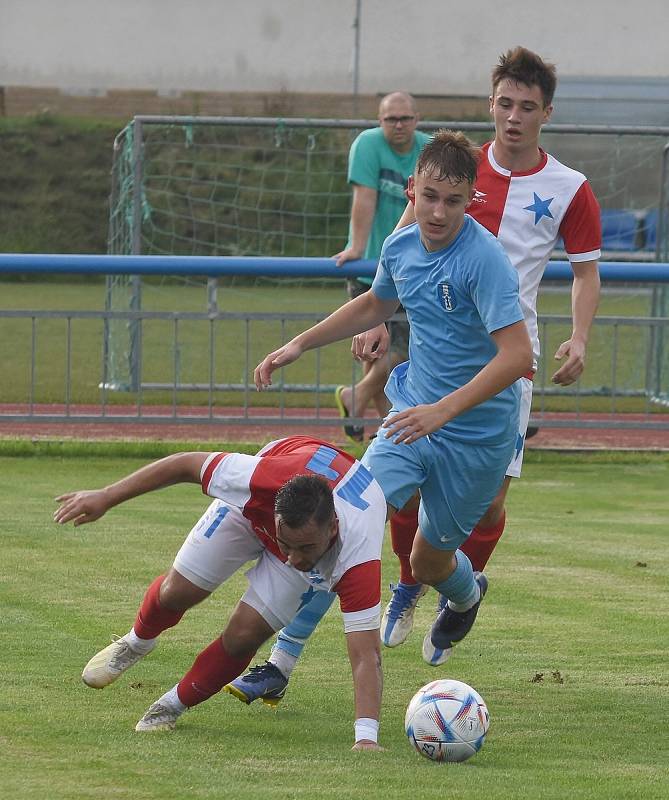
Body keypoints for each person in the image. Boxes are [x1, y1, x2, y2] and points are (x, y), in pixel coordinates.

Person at [241, 130, 533, 705]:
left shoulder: (484, 259)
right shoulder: (401, 247)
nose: (438, 211)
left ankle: (467, 593)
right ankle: (280, 662)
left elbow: (520, 357)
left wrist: (442, 412)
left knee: (429, 560)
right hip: (408, 419)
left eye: (452, 200)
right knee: (346, 522)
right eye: (428, 196)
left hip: (476, 438)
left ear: (471, 199)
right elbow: (377, 302)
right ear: (412, 191)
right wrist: (301, 343)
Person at [357, 46, 602, 665]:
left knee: (490, 500)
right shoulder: (455, 172)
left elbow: (584, 273)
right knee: (403, 477)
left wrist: (580, 335)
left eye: (527, 106)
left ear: (546, 112)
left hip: (506, 361)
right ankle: (410, 584)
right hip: (438, 349)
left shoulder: (570, 188)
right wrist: (383, 318)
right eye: (504, 103)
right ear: (490, 104)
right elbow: (402, 245)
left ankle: (454, 591)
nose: (513, 116)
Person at [53, 435, 387, 750]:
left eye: (305, 548)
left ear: (332, 528)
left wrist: (366, 738)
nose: (293, 559)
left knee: (244, 636)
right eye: (286, 545)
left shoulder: (357, 553)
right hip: (260, 506)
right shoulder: (258, 479)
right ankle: (137, 641)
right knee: (178, 591)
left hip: (321, 522)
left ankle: (170, 706)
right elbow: (184, 464)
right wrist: (106, 496)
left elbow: (365, 655)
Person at [333, 91, 431, 443]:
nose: (399, 125)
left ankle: (356, 398)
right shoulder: (368, 145)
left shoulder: (429, 148)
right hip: (372, 265)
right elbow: (365, 197)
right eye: (391, 119)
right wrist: (357, 248)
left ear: (417, 119)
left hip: (415, 267)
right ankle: (390, 428)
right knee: (373, 350)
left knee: (404, 349)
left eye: (405, 118)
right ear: (380, 121)